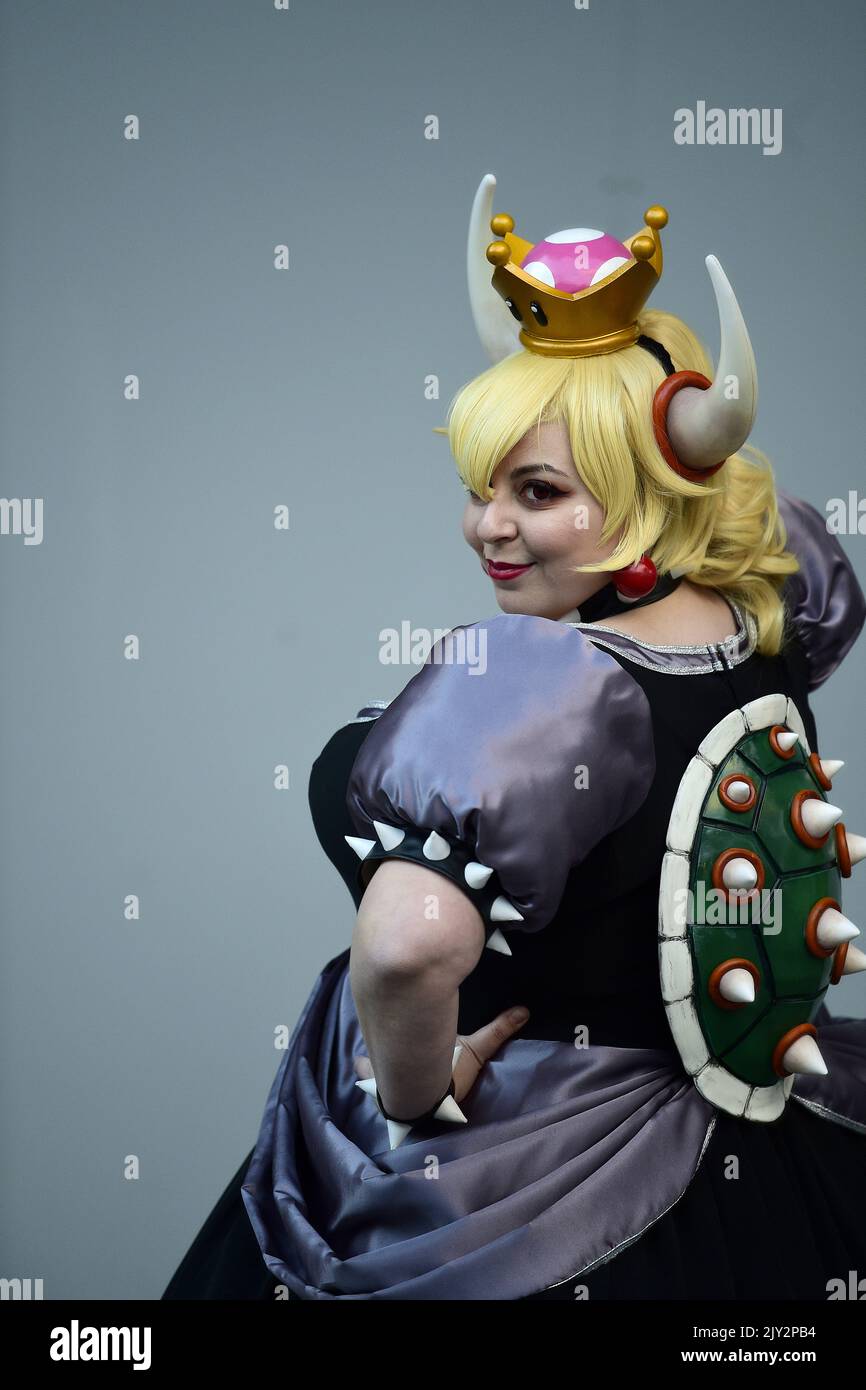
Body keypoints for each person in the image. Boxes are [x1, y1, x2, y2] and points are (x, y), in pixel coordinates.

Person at [163, 176, 866, 1301]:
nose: (486, 525)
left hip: (529, 1192)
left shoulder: (547, 682)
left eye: (536, 492)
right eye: (480, 485)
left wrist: (410, 1094)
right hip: (759, 1150)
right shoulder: (763, 605)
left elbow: (405, 942)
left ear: (647, 492)